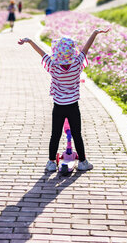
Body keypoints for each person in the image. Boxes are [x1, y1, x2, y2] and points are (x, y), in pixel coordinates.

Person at [17, 27, 110, 172]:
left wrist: (29, 41)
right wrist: (95, 33)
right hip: (73, 106)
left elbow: (41, 53)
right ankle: (83, 162)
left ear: (57, 53)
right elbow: (86, 47)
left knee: (55, 134)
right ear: (72, 52)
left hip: (58, 106)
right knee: (77, 134)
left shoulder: (53, 66)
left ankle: (51, 162)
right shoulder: (77, 64)